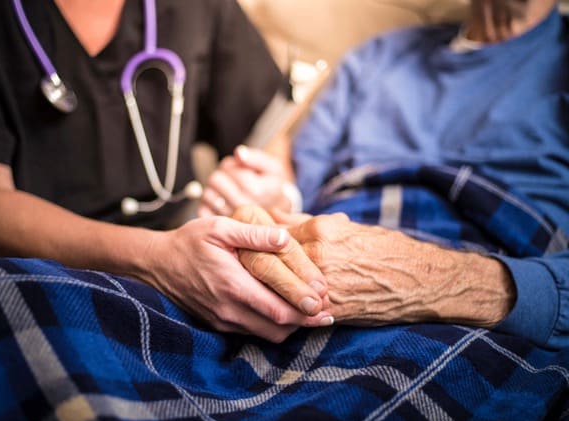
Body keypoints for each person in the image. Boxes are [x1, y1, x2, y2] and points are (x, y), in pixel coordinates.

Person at [0, 0, 336, 342]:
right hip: (27, 277)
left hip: (188, 271)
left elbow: (264, 137)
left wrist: (273, 191)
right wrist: (156, 259)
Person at [200, 0, 569, 350]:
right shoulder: (377, 57)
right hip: (329, 260)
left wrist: (435, 282)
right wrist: (272, 196)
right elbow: (301, 187)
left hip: (493, 289)